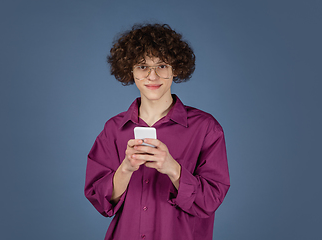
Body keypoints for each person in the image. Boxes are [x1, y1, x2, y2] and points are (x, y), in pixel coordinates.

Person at [84, 23, 230, 240]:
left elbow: (211, 200)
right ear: (130, 71)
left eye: (161, 66)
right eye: (142, 67)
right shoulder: (113, 130)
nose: (152, 76)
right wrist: (125, 169)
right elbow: (100, 200)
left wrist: (173, 169)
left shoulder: (206, 128)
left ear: (175, 69)